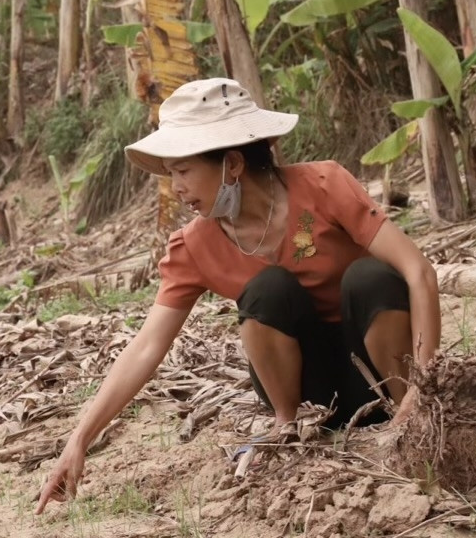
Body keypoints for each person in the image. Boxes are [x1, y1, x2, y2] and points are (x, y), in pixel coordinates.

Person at [36, 77, 440, 514]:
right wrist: (79, 439)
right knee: (268, 288)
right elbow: (147, 346)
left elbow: (419, 272)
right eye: (171, 174)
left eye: (184, 171)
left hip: (379, 375)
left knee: (370, 277)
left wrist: (424, 386)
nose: (177, 189)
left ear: (232, 164)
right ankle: (287, 427)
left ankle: (406, 416)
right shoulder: (194, 245)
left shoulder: (323, 187)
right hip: (311, 392)